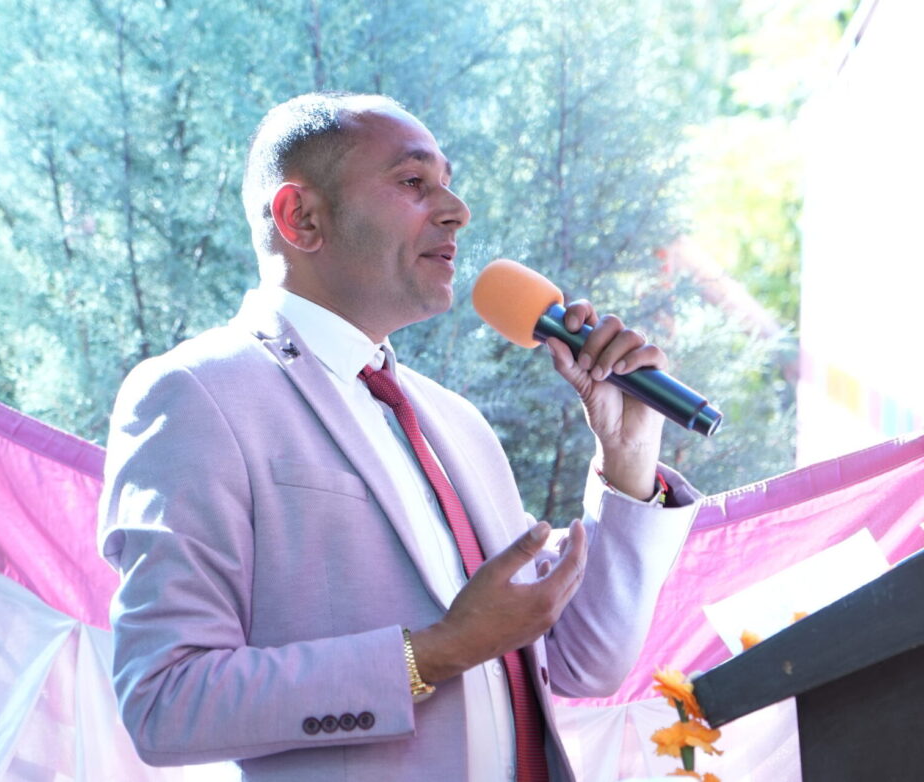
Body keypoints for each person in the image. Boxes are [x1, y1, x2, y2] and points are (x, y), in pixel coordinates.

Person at [98, 92, 700, 782]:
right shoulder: (196, 395)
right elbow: (165, 703)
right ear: (301, 217)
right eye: (414, 182)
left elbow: (584, 662)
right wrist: (436, 653)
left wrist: (627, 456)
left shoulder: (459, 424)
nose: (456, 210)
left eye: (449, 183)